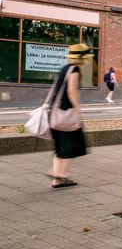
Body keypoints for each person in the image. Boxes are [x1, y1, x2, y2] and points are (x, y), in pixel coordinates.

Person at [48, 43, 93, 188]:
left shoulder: (64, 69)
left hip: (54, 114)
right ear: (81, 58)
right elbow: (71, 91)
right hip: (67, 115)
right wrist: (78, 109)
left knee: (59, 148)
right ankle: (59, 174)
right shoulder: (74, 69)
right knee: (72, 146)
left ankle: (57, 179)